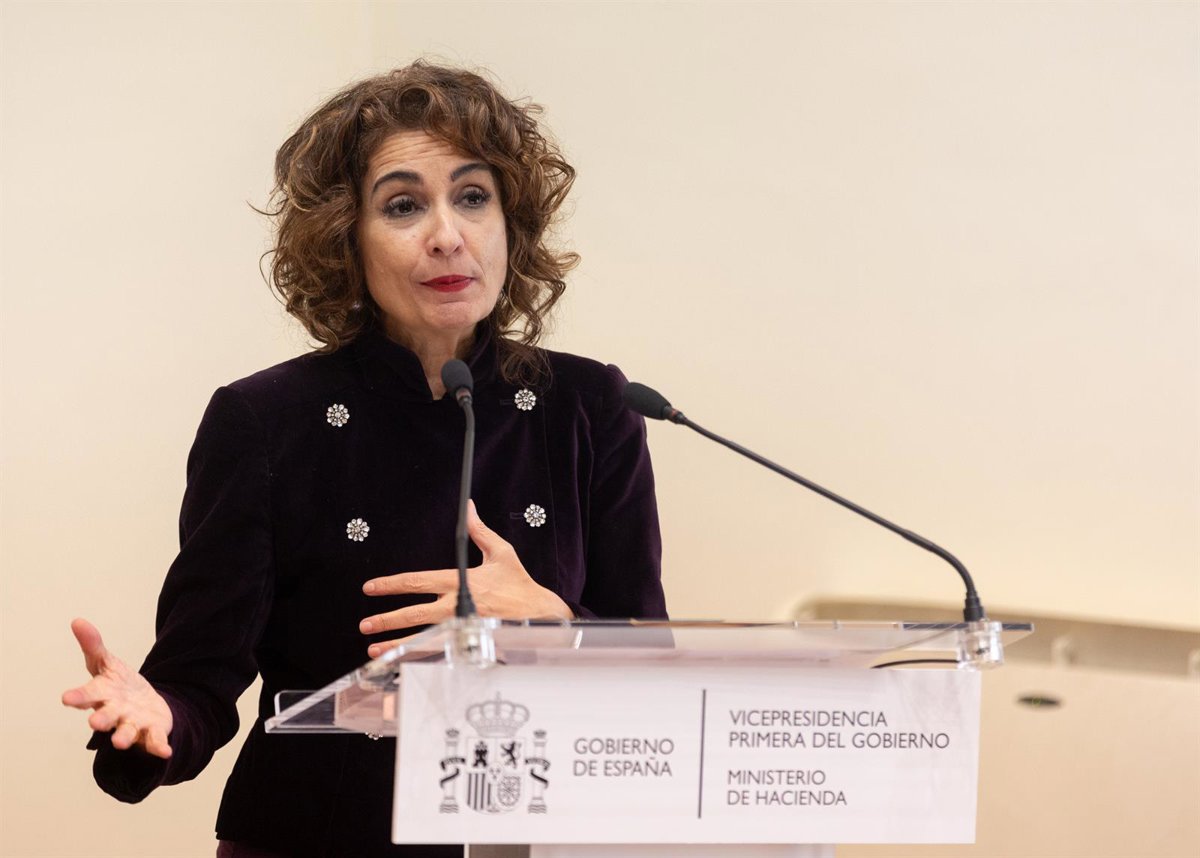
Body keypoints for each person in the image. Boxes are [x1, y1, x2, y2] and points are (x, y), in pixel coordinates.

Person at [61, 61, 667, 857]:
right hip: (314, 835)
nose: (447, 234)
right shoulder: (265, 421)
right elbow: (196, 682)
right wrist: (153, 718)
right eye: (404, 205)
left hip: (535, 834)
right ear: (346, 237)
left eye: (473, 196)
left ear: (511, 222)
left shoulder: (590, 406)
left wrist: (554, 625)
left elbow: (650, 665)